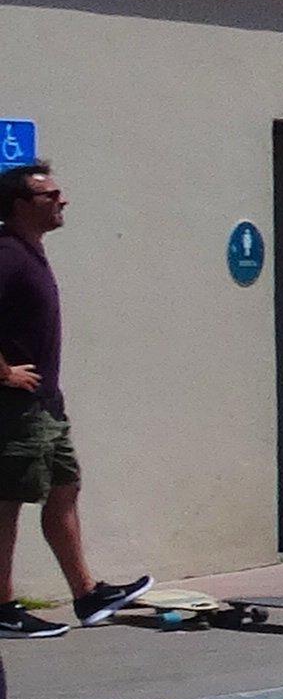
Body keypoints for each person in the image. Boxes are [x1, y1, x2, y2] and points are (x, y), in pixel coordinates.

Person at [0, 161, 139, 633]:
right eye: (49, 195)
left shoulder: (29, 251)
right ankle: (2, 607)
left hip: (44, 407)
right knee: (7, 503)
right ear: (21, 205)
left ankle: (86, 595)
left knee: (64, 488)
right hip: (14, 410)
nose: (63, 201)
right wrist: (4, 373)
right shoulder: (7, 253)